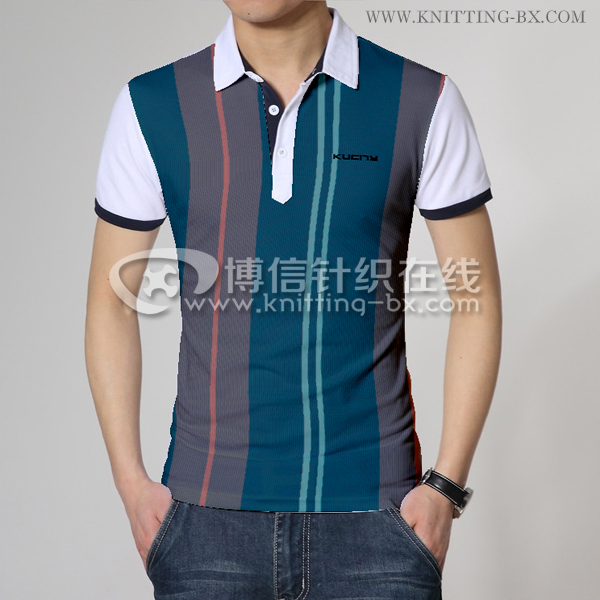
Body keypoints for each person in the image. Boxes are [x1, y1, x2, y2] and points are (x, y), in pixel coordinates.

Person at [85, 1, 502, 598]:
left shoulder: (421, 99)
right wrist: (130, 483)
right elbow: (111, 301)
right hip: (204, 526)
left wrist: (446, 488)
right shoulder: (153, 104)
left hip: (378, 521)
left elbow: (474, 298)